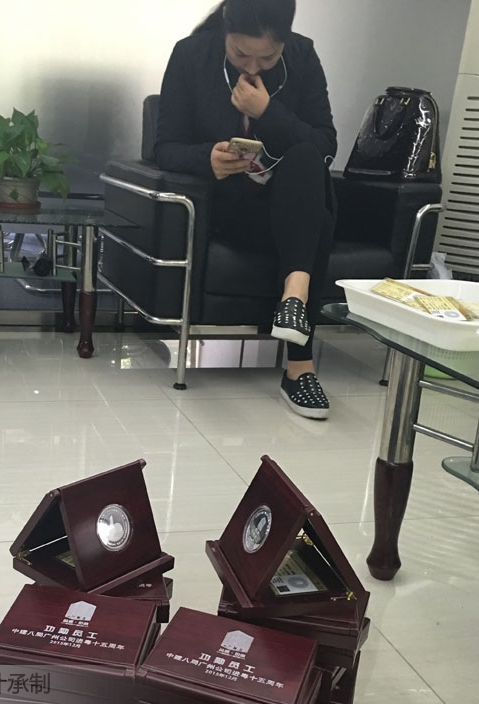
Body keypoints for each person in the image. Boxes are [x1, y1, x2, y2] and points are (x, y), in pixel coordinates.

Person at [155, 0, 337, 419]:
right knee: (317, 222)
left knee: (306, 161)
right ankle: (299, 366)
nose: (253, 67)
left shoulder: (303, 55)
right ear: (225, 28)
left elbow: (326, 144)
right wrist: (207, 159)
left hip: (292, 205)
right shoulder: (191, 55)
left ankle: (294, 298)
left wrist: (267, 113)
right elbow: (164, 147)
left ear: (285, 42)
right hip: (232, 210)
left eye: (268, 58)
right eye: (240, 54)